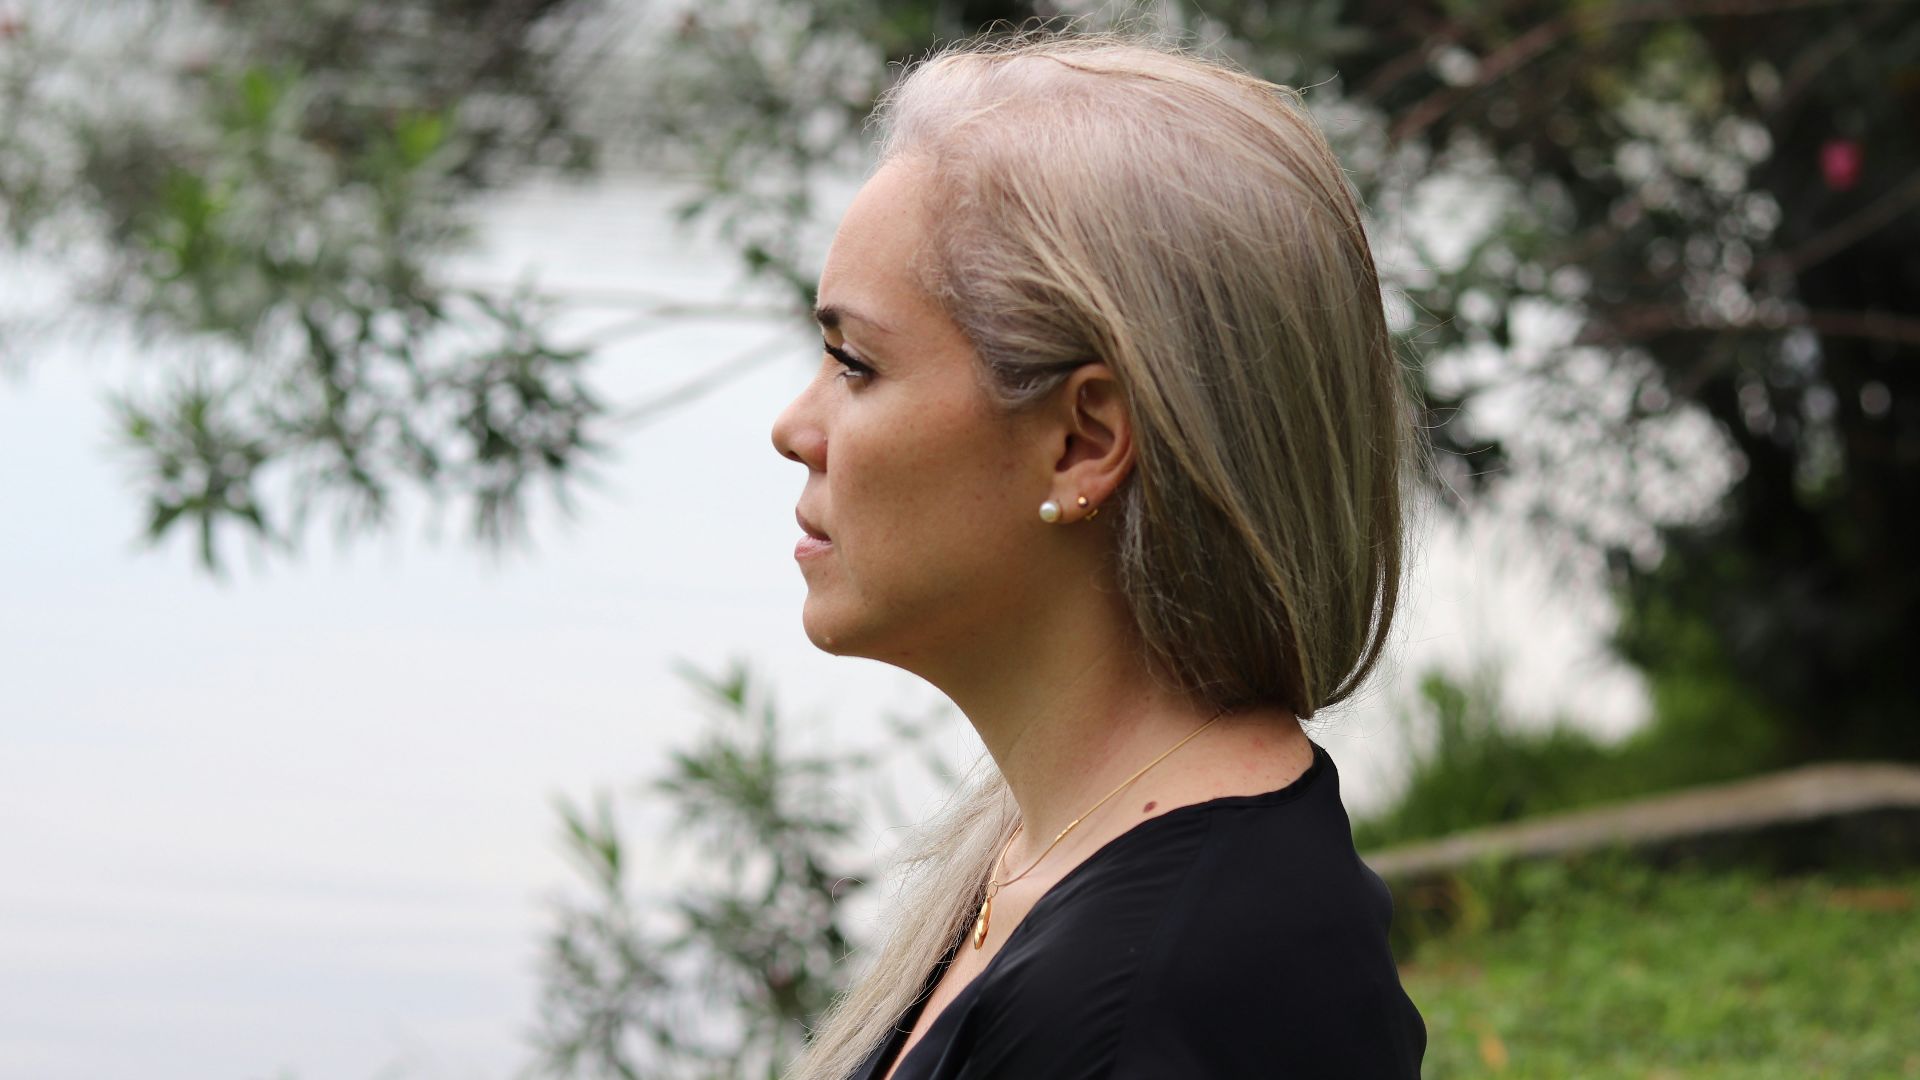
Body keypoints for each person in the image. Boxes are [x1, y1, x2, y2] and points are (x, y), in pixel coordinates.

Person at [770, 31, 1428, 1080]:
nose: (793, 427)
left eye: (855, 363)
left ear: (1084, 442)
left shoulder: (1147, 1009)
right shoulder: (1068, 867)